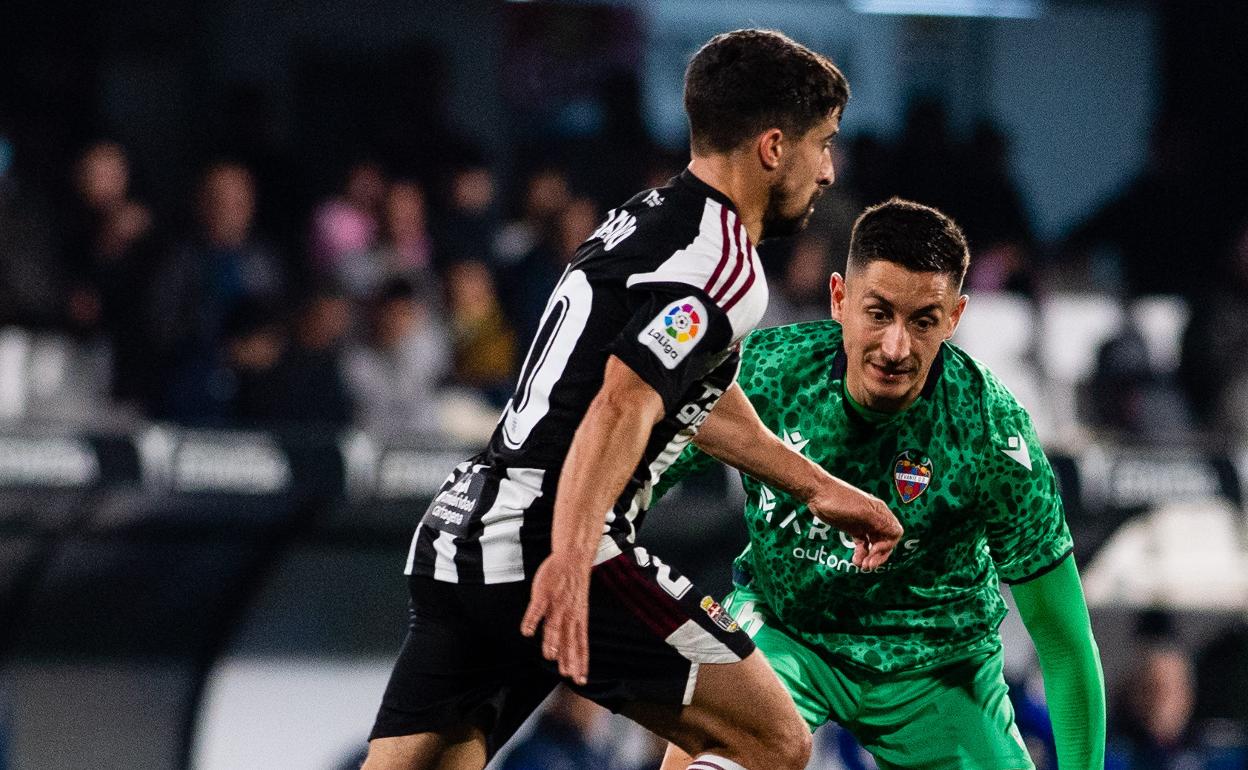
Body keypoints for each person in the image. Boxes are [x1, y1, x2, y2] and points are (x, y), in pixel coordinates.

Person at [363, 29, 903, 770]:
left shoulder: (646, 217)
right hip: (554, 542)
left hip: (467, 533)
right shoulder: (726, 266)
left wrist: (817, 488)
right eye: (824, 144)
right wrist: (571, 553)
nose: (829, 169)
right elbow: (623, 401)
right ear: (774, 148)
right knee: (773, 741)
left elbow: (691, 396)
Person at [657, 198, 1106, 770]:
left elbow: (1064, 641)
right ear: (839, 298)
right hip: (786, 630)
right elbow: (639, 467)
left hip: (938, 666)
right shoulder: (769, 375)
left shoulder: (991, 433)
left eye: (922, 321)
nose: (896, 348)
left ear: (955, 316)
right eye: (878, 313)